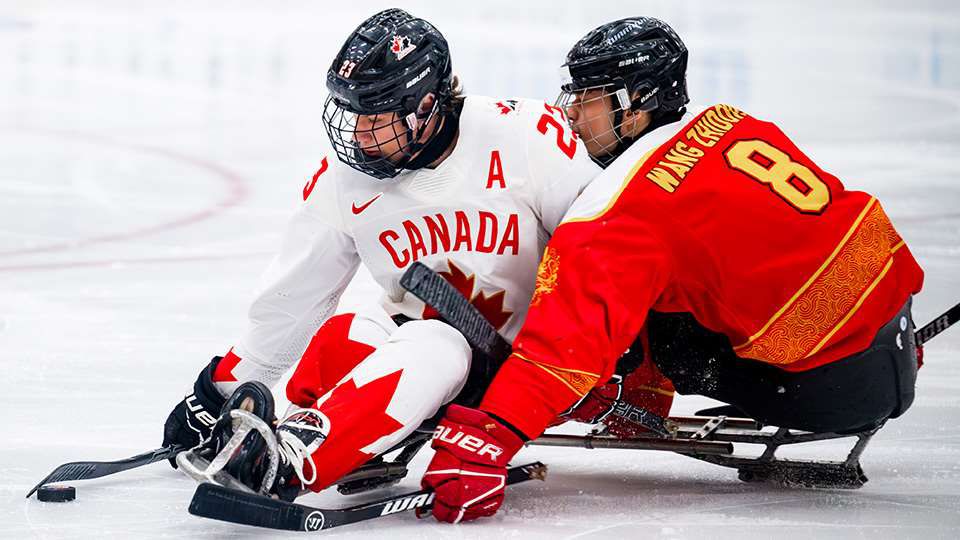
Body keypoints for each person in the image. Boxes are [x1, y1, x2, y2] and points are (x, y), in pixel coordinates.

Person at [420, 16, 925, 524]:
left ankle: (636, 392)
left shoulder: (622, 211)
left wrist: (489, 438)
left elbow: (562, 351)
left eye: (588, 96)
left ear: (636, 102)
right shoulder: (728, 120)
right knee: (689, 271)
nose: (571, 112)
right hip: (893, 330)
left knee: (648, 322)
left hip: (835, 391)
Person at [162, 8, 600, 500]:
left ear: (427, 104)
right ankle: (319, 433)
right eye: (353, 113)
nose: (359, 133)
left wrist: (606, 360)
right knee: (339, 341)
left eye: (375, 115)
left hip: (529, 362)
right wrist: (216, 394)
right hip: (423, 342)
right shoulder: (346, 178)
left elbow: (604, 255)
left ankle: (289, 465)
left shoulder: (525, 135)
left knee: (434, 343)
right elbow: (294, 297)